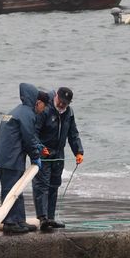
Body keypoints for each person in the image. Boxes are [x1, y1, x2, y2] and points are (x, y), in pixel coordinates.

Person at [0, 83, 50, 234]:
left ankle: (19, 220)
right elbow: (29, 138)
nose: (43, 110)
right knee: (11, 190)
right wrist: (36, 156)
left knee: (16, 190)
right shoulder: (27, 114)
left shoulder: (18, 111)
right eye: (43, 106)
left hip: (8, 156)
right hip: (11, 158)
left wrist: (38, 147)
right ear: (38, 102)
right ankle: (10, 223)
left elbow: (28, 137)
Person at [34, 87, 84, 230]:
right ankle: (42, 218)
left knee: (54, 186)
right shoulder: (45, 109)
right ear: (56, 96)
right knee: (41, 186)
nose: (62, 105)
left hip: (58, 155)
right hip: (43, 153)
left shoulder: (69, 112)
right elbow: (34, 131)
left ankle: (51, 218)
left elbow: (73, 134)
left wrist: (78, 151)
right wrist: (38, 147)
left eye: (65, 103)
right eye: (61, 101)